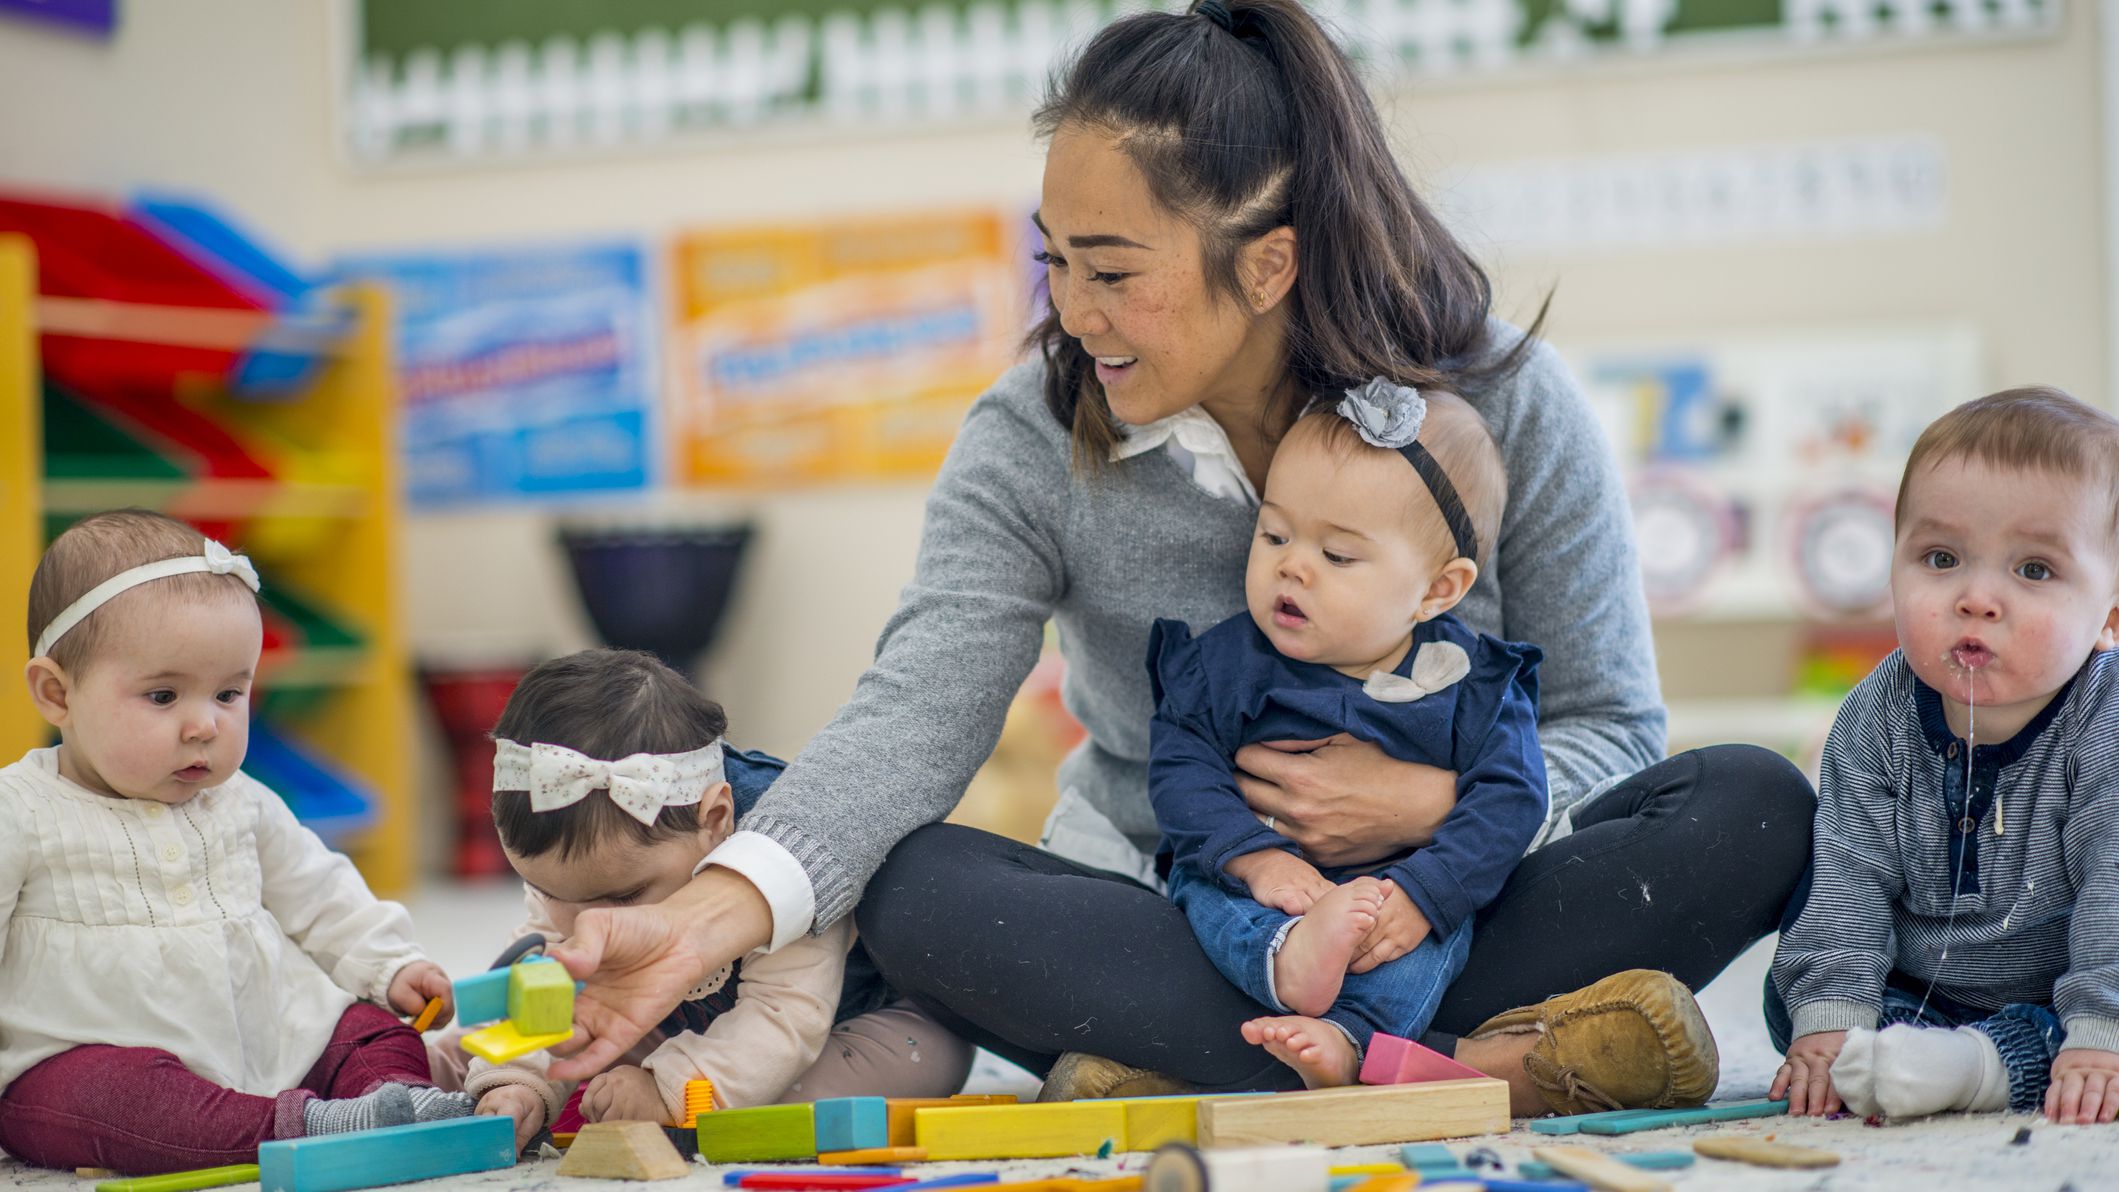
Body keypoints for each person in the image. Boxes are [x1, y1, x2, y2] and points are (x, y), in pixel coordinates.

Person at [539, 0, 1814, 1116]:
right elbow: (913, 711)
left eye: (1111, 271)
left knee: (1754, 804)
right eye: (1054, 263)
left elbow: (1610, 719)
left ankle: (1233, 1065)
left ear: (1267, 263)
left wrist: (1432, 820)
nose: (1071, 313)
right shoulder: (1031, 436)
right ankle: (1487, 1063)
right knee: (919, 887)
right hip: (1184, 915)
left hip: (1461, 897)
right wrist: (710, 909)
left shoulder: (1503, 402)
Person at [0, 510, 471, 1175]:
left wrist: (390, 966)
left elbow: (321, 893)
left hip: (272, 1037)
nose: (204, 725)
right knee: (85, 1102)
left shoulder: (240, 801)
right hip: (95, 1052)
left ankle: (388, 1100)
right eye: (163, 695)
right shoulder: (19, 810)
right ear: (57, 693)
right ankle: (304, 1124)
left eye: (229, 693)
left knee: (368, 1026)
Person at [1152, 383, 1544, 1087]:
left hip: (1395, 888)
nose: (1290, 565)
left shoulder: (1474, 684)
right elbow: (1182, 772)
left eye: (1336, 555)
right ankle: (1285, 960)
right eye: (1272, 535)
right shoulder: (1223, 667)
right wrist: (1256, 861)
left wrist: (1425, 894)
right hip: (1253, 881)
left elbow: (1511, 800)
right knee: (1200, 894)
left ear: (1437, 590)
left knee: (1426, 947)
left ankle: (1346, 1042)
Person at [1769, 388, 2119, 1125]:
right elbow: (1846, 871)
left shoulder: (2103, 719)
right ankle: (1916, 1055)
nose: (1975, 598)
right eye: (1940, 558)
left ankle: (1987, 1066)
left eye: (2032, 571)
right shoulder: (1876, 712)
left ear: (2109, 616)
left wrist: (2099, 1033)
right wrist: (1833, 1015)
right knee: (1799, 1006)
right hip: (1915, 985)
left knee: (2095, 1045)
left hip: (2072, 984)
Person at [461, 650, 973, 1151]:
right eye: (547, 892)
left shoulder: (785, 850)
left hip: (850, 1020)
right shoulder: (582, 885)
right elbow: (544, 987)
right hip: (682, 1023)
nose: (585, 923)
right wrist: (517, 1078)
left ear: (715, 821)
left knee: (860, 1080)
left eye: (623, 896)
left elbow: (785, 1016)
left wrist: (669, 1088)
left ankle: (685, 1099)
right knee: (566, 1044)